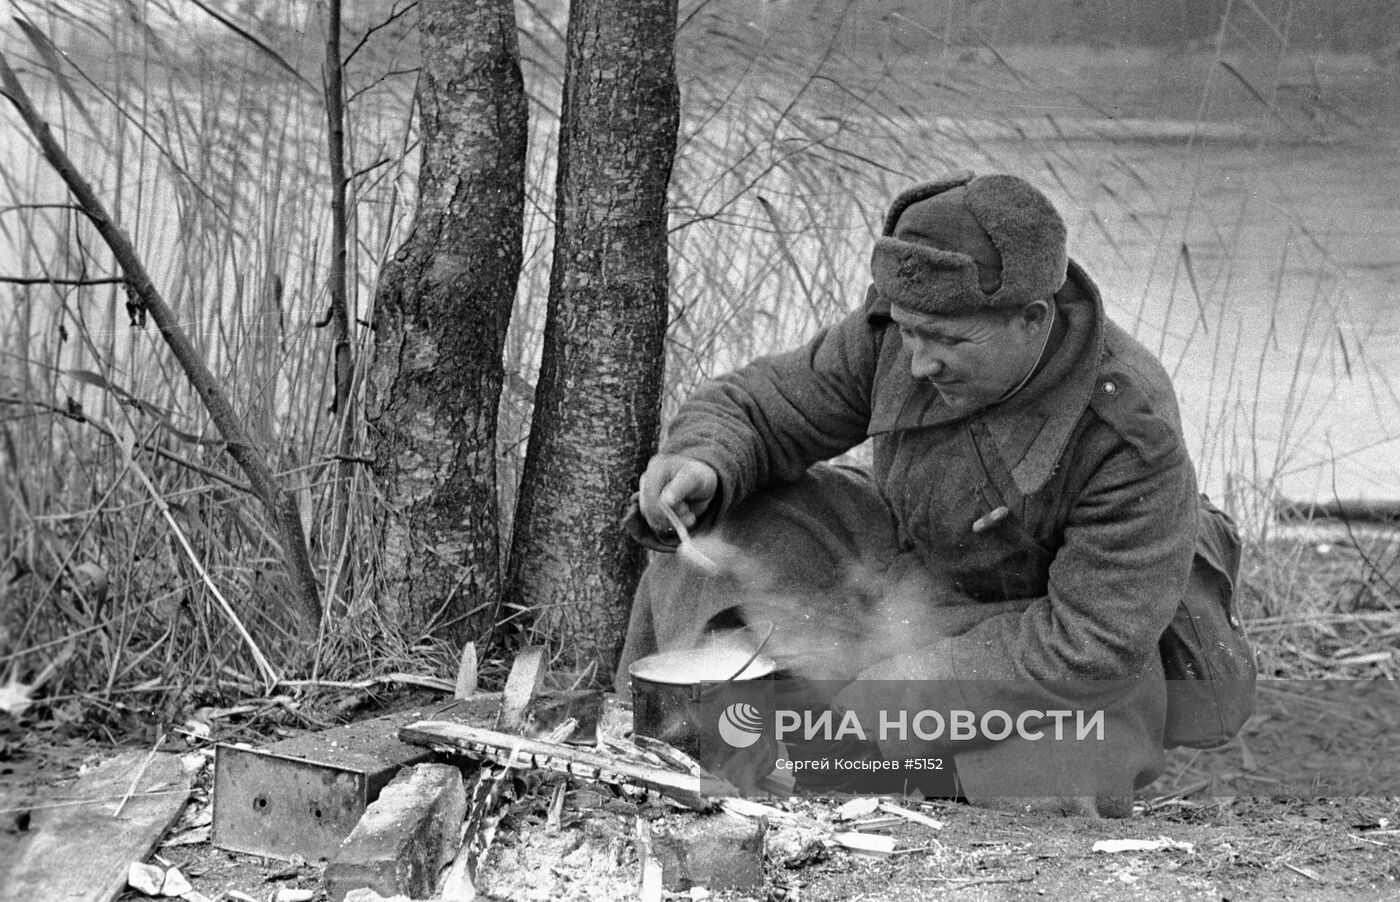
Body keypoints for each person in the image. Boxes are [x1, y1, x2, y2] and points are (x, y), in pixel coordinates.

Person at [617, 171, 1207, 814]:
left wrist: (897, 693)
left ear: (1031, 319)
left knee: (1056, 772)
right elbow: (762, 408)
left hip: (1025, 640)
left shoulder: (1128, 432)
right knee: (724, 519)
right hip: (896, 584)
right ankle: (688, 742)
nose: (919, 363)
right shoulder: (901, 331)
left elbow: (1089, 644)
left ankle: (841, 754)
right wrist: (705, 461)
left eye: (951, 341)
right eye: (910, 332)